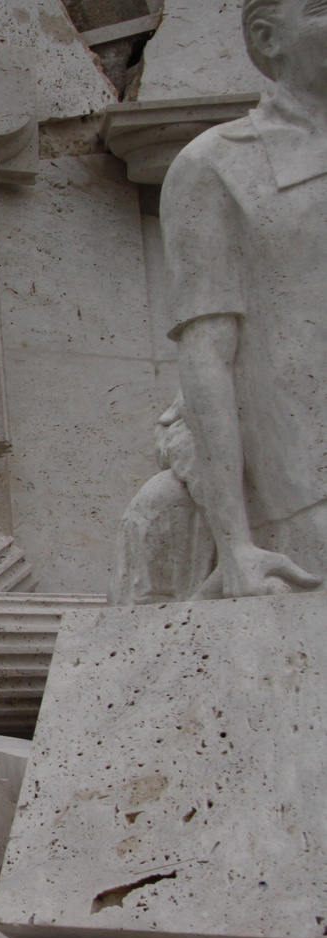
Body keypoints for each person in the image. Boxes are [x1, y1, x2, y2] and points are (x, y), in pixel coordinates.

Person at [164, 0, 327, 598]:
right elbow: (207, 355)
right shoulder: (217, 164)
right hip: (303, 477)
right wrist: (235, 542)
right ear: (268, 37)